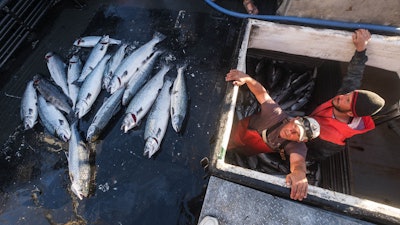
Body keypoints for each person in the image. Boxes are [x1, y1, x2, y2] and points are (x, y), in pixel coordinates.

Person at [225, 69, 320, 201]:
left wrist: (299, 173)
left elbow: (298, 162)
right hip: (235, 132)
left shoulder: (297, 147)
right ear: (294, 119)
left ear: (301, 140)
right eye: (295, 126)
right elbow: (261, 93)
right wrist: (247, 78)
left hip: (248, 149)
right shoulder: (275, 114)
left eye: (297, 134)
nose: (290, 131)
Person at [307, 29, 385, 160]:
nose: (341, 96)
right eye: (348, 94)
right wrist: (361, 50)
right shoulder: (346, 101)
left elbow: (312, 155)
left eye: (347, 100)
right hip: (314, 113)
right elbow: (354, 76)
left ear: (350, 114)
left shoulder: (333, 140)